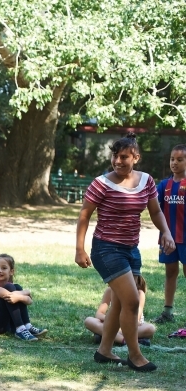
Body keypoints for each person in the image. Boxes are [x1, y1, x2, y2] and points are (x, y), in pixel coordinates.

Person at [75, 133, 175, 372]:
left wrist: (166, 232)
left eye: (124, 157)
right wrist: (80, 249)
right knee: (131, 302)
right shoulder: (101, 183)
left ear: (135, 157)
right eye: (115, 156)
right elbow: (84, 215)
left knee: (120, 304)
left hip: (131, 250)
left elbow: (155, 211)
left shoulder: (146, 181)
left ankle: (104, 351)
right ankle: (135, 355)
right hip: (106, 249)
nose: (118, 161)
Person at [152, 144, 186, 324]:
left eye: (180, 160)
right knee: (170, 273)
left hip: (185, 239)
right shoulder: (164, 185)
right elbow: (154, 208)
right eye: (173, 159)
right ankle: (167, 312)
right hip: (168, 239)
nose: (175, 163)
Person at [0, 254, 48, 341]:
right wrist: (26, 293)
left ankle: (27, 326)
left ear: (11, 271)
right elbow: (16, 298)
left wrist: (21, 296)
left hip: (6, 324)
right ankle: (20, 329)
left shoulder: (11, 286)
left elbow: (29, 301)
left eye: (4, 268)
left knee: (16, 287)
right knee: (11, 288)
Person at [85, 279, 155, 346]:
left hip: (130, 327)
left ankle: (105, 335)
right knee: (89, 321)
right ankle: (124, 340)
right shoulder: (110, 290)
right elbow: (99, 314)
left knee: (150, 329)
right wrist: (112, 320)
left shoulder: (139, 293)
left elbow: (136, 320)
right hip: (111, 324)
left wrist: (121, 323)